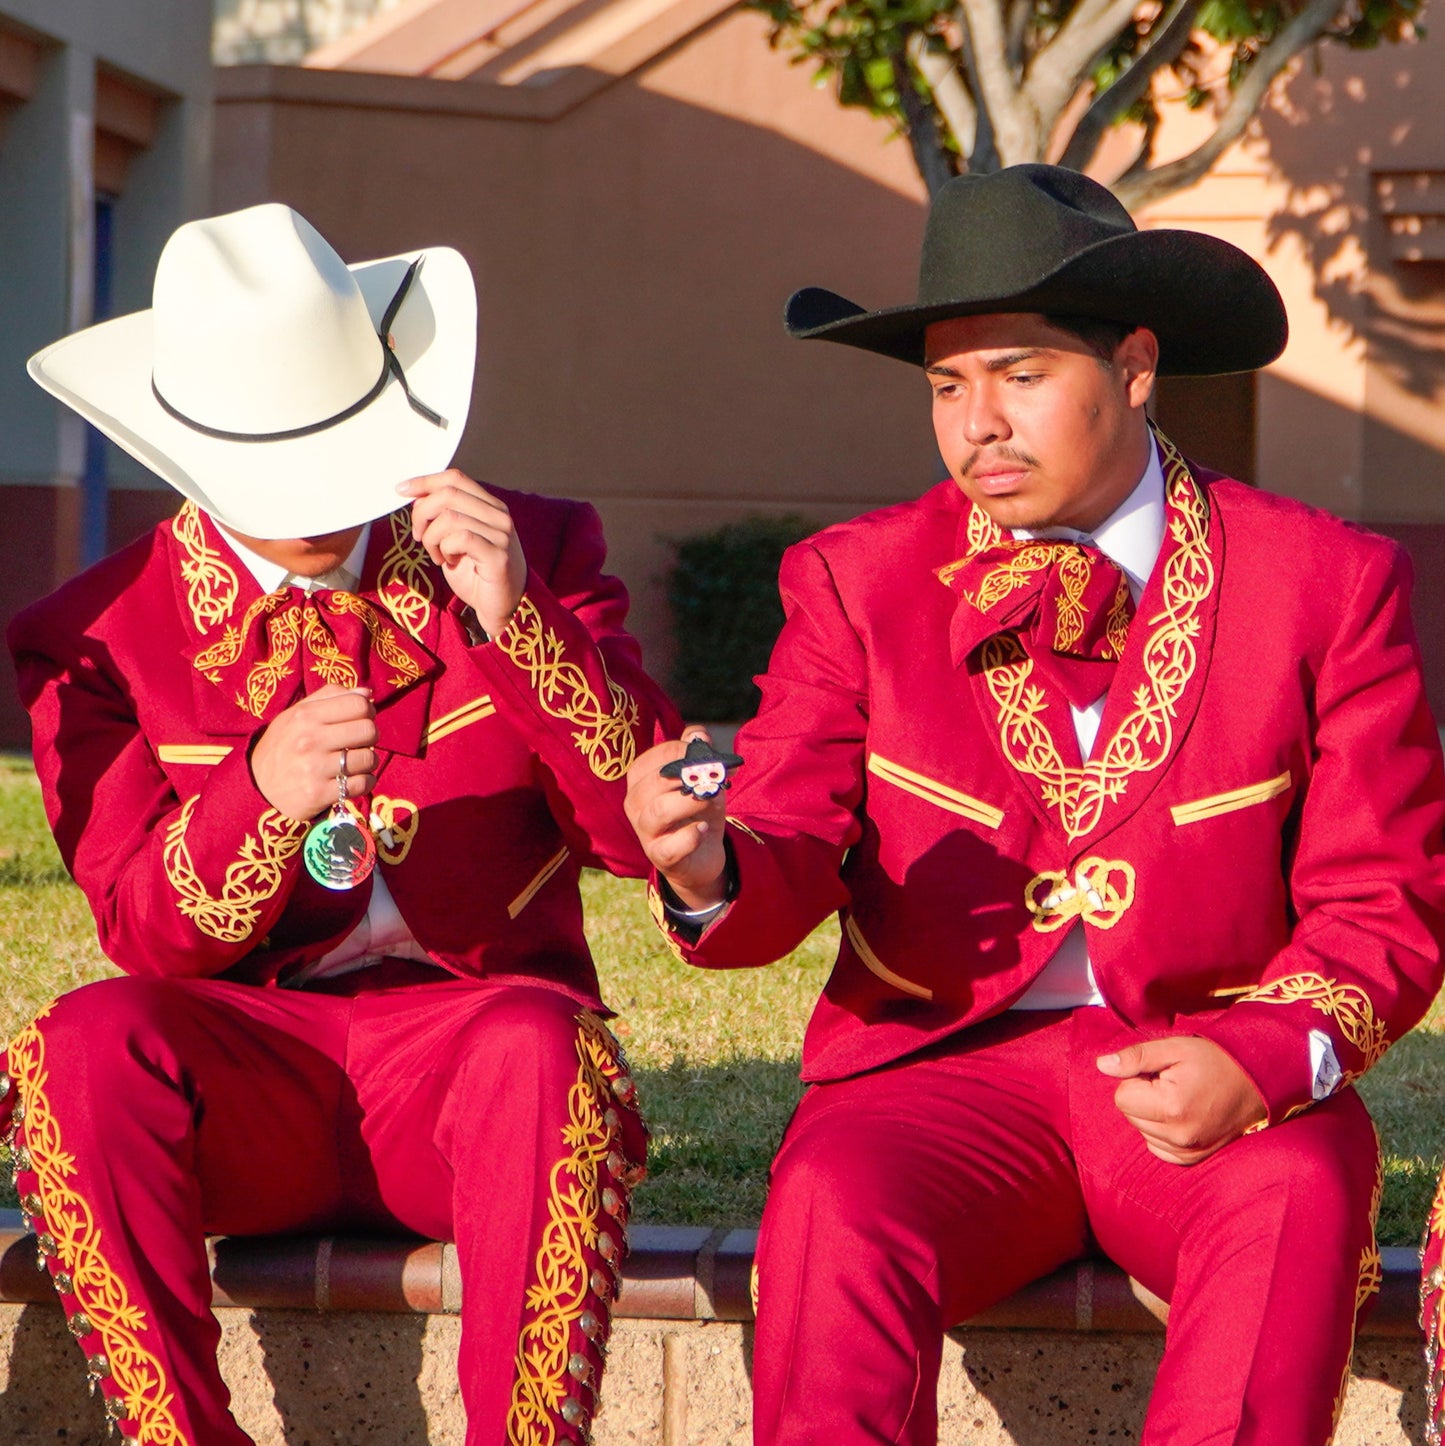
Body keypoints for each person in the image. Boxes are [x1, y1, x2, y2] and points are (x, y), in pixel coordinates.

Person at [625, 164, 1445, 1445]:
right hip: (934, 1076)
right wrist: (703, 866)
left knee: (1294, 1193)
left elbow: (1380, 901)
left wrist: (1267, 1057)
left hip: (1210, 1063)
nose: (975, 426)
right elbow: (780, 847)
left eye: (1017, 374)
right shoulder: (854, 583)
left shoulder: (1323, 585)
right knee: (832, 1197)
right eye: (946, 386)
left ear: (1132, 365)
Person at [2, 202, 676, 1446]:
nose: (316, 502)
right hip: (247, 1070)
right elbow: (146, 933)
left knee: (541, 1044)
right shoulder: (94, 638)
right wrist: (255, 792)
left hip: (476, 1060)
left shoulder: (534, 545)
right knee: (79, 1048)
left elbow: (646, 837)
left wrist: (520, 626)